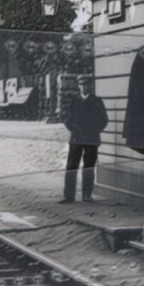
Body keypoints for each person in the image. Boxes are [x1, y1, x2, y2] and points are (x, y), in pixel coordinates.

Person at [61, 75, 108, 203]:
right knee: (71, 166)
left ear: (90, 85)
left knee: (89, 167)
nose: (83, 87)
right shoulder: (74, 101)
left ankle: (87, 195)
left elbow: (103, 120)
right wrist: (72, 128)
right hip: (76, 138)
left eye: (86, 84)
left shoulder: (96, 101)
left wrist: (94, 130)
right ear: (78, 86)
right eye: (81, 84)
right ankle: (68, 196)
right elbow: (67, 118)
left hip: (91, 139)